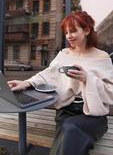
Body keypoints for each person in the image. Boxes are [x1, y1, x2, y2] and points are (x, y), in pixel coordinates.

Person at [8, 11, 113, 155]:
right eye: (67, 32)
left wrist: (88, 80)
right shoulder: (63, 54)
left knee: (69, 129)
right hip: (66, 110)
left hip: (94, 115)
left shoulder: (102, 57)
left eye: (73, 31)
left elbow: (111, 91)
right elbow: (48, 75)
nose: (69, 36)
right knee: (69, 130)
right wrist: (26, 83)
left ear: (87, 30)